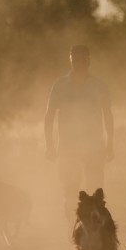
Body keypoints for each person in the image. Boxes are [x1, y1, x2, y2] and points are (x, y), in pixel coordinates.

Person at [44, 44, 114, 215]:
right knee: (70, 191)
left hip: (94, 146)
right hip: (68, 146)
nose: (79, 63)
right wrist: (49, 145)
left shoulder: (99, 85)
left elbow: (108, 115)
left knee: (95, 191)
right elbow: (49, 115)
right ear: (70, 60)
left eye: (83, 59)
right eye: (75, 59)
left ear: (89, 60)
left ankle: (94, 231)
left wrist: (110, 144)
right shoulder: (60, 85)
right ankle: (72, 226)